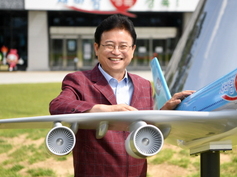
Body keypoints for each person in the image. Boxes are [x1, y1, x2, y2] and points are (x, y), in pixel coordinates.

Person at [49, 14, 194, 177]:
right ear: (96, 48)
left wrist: (165, 110)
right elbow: (57, 105)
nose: (116, 52)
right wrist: (102, 110)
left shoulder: (144, 85)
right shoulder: (79, 81)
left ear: (132, 50)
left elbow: (145, 127)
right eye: (109, 45)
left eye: (123, 46)